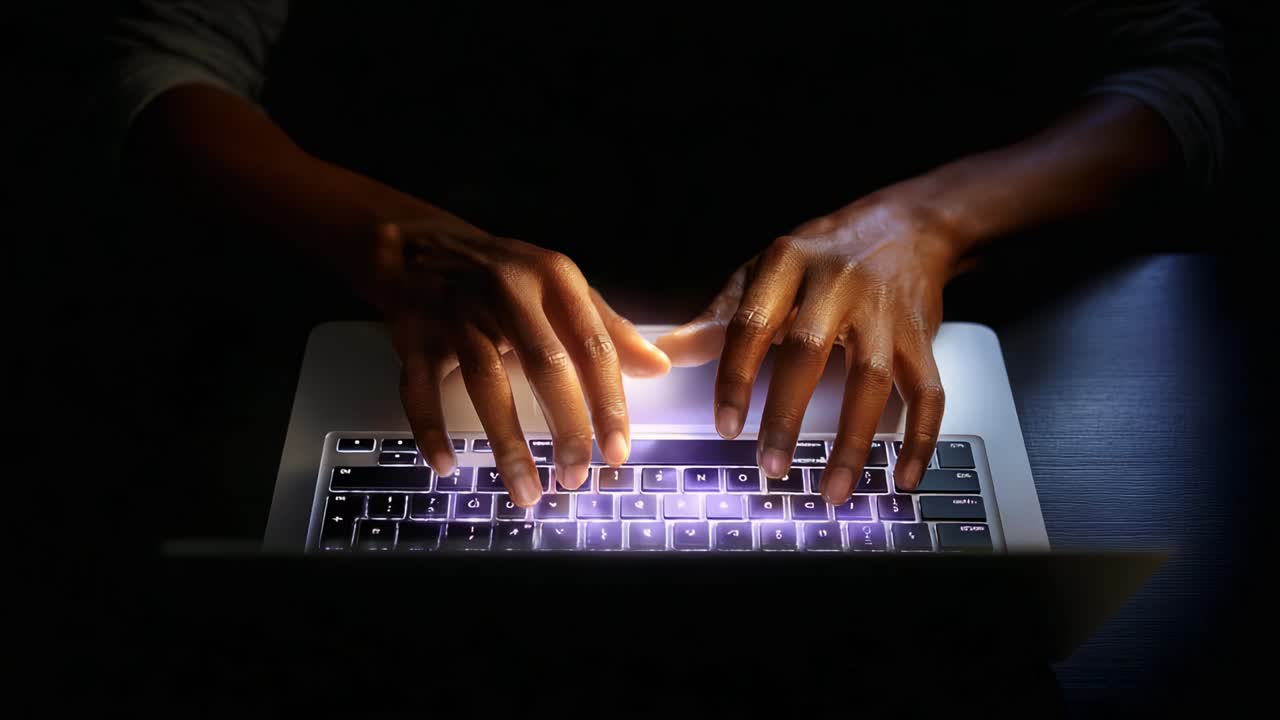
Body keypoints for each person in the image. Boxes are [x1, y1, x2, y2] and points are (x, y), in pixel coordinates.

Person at [107, 0, 1233, 508]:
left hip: (869, 362)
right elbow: (155, 65)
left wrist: (927, 222)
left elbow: (1188, 75)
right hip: (455, 346)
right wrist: (386, 236)